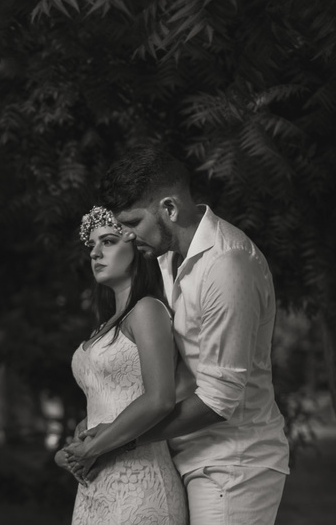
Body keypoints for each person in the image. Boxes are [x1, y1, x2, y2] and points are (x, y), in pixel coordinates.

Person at [95, 145, 290, 525]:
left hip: (234, 465)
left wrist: (122, 439)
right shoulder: (168, 256)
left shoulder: (228, 266)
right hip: (185, 456)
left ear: (169, 209)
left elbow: (220, 399)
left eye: (134, 222)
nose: (129, 237)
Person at [54, 205, 188, 525]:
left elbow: (160, 399)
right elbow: (111, 398)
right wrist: (81, 438)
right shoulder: (106, 324)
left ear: (137, 247)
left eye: (109, 242)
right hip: (95, 484)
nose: (95, 253)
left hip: (139, 484)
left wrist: (90, 449)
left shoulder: (147, 310)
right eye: (92, 245)